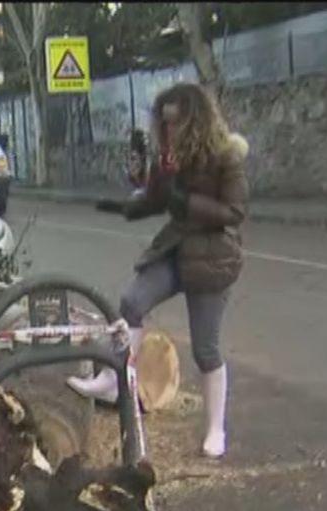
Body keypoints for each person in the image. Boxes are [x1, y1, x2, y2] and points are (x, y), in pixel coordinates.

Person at [67, 82, 249, 459]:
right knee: (132, 302)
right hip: (176, 248)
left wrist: (187, 202)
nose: (168, 130)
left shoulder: (226, 156)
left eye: (175, 123)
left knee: (206, 350)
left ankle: (216, 428)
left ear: (195, 120)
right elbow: (155, 201)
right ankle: (112, 382)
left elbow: (234, 213)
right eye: (163, 123)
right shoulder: (169, 157)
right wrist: (121, 208)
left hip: (213, 258)